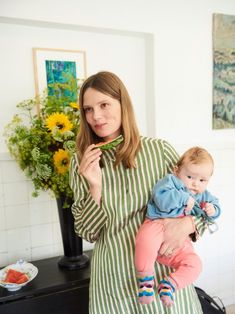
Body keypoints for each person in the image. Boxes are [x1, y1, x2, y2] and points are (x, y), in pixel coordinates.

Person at [69, 71, 208, 314]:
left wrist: (188, 224)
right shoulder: (80, 161)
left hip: (162, 274)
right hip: (113, 280)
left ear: (123, 104)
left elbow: (202, 202)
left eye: (104, 105)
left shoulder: (159, 151)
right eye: (88, 109)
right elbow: (87, 232)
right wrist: (95, 186)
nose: (96, 116)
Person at [134, 146, 221, 307]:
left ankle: (169, 285)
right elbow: (161, 198)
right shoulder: (170, 182)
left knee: (195, 264)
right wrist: (183, 199)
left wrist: (213, 209)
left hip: (178, 242)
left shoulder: (202, 194)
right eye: (190, 177)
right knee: (144, 241)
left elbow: (215, 207)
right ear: (176, 171)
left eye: (202, 180)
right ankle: (145, 282)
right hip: (157, 224)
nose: (195, 184)